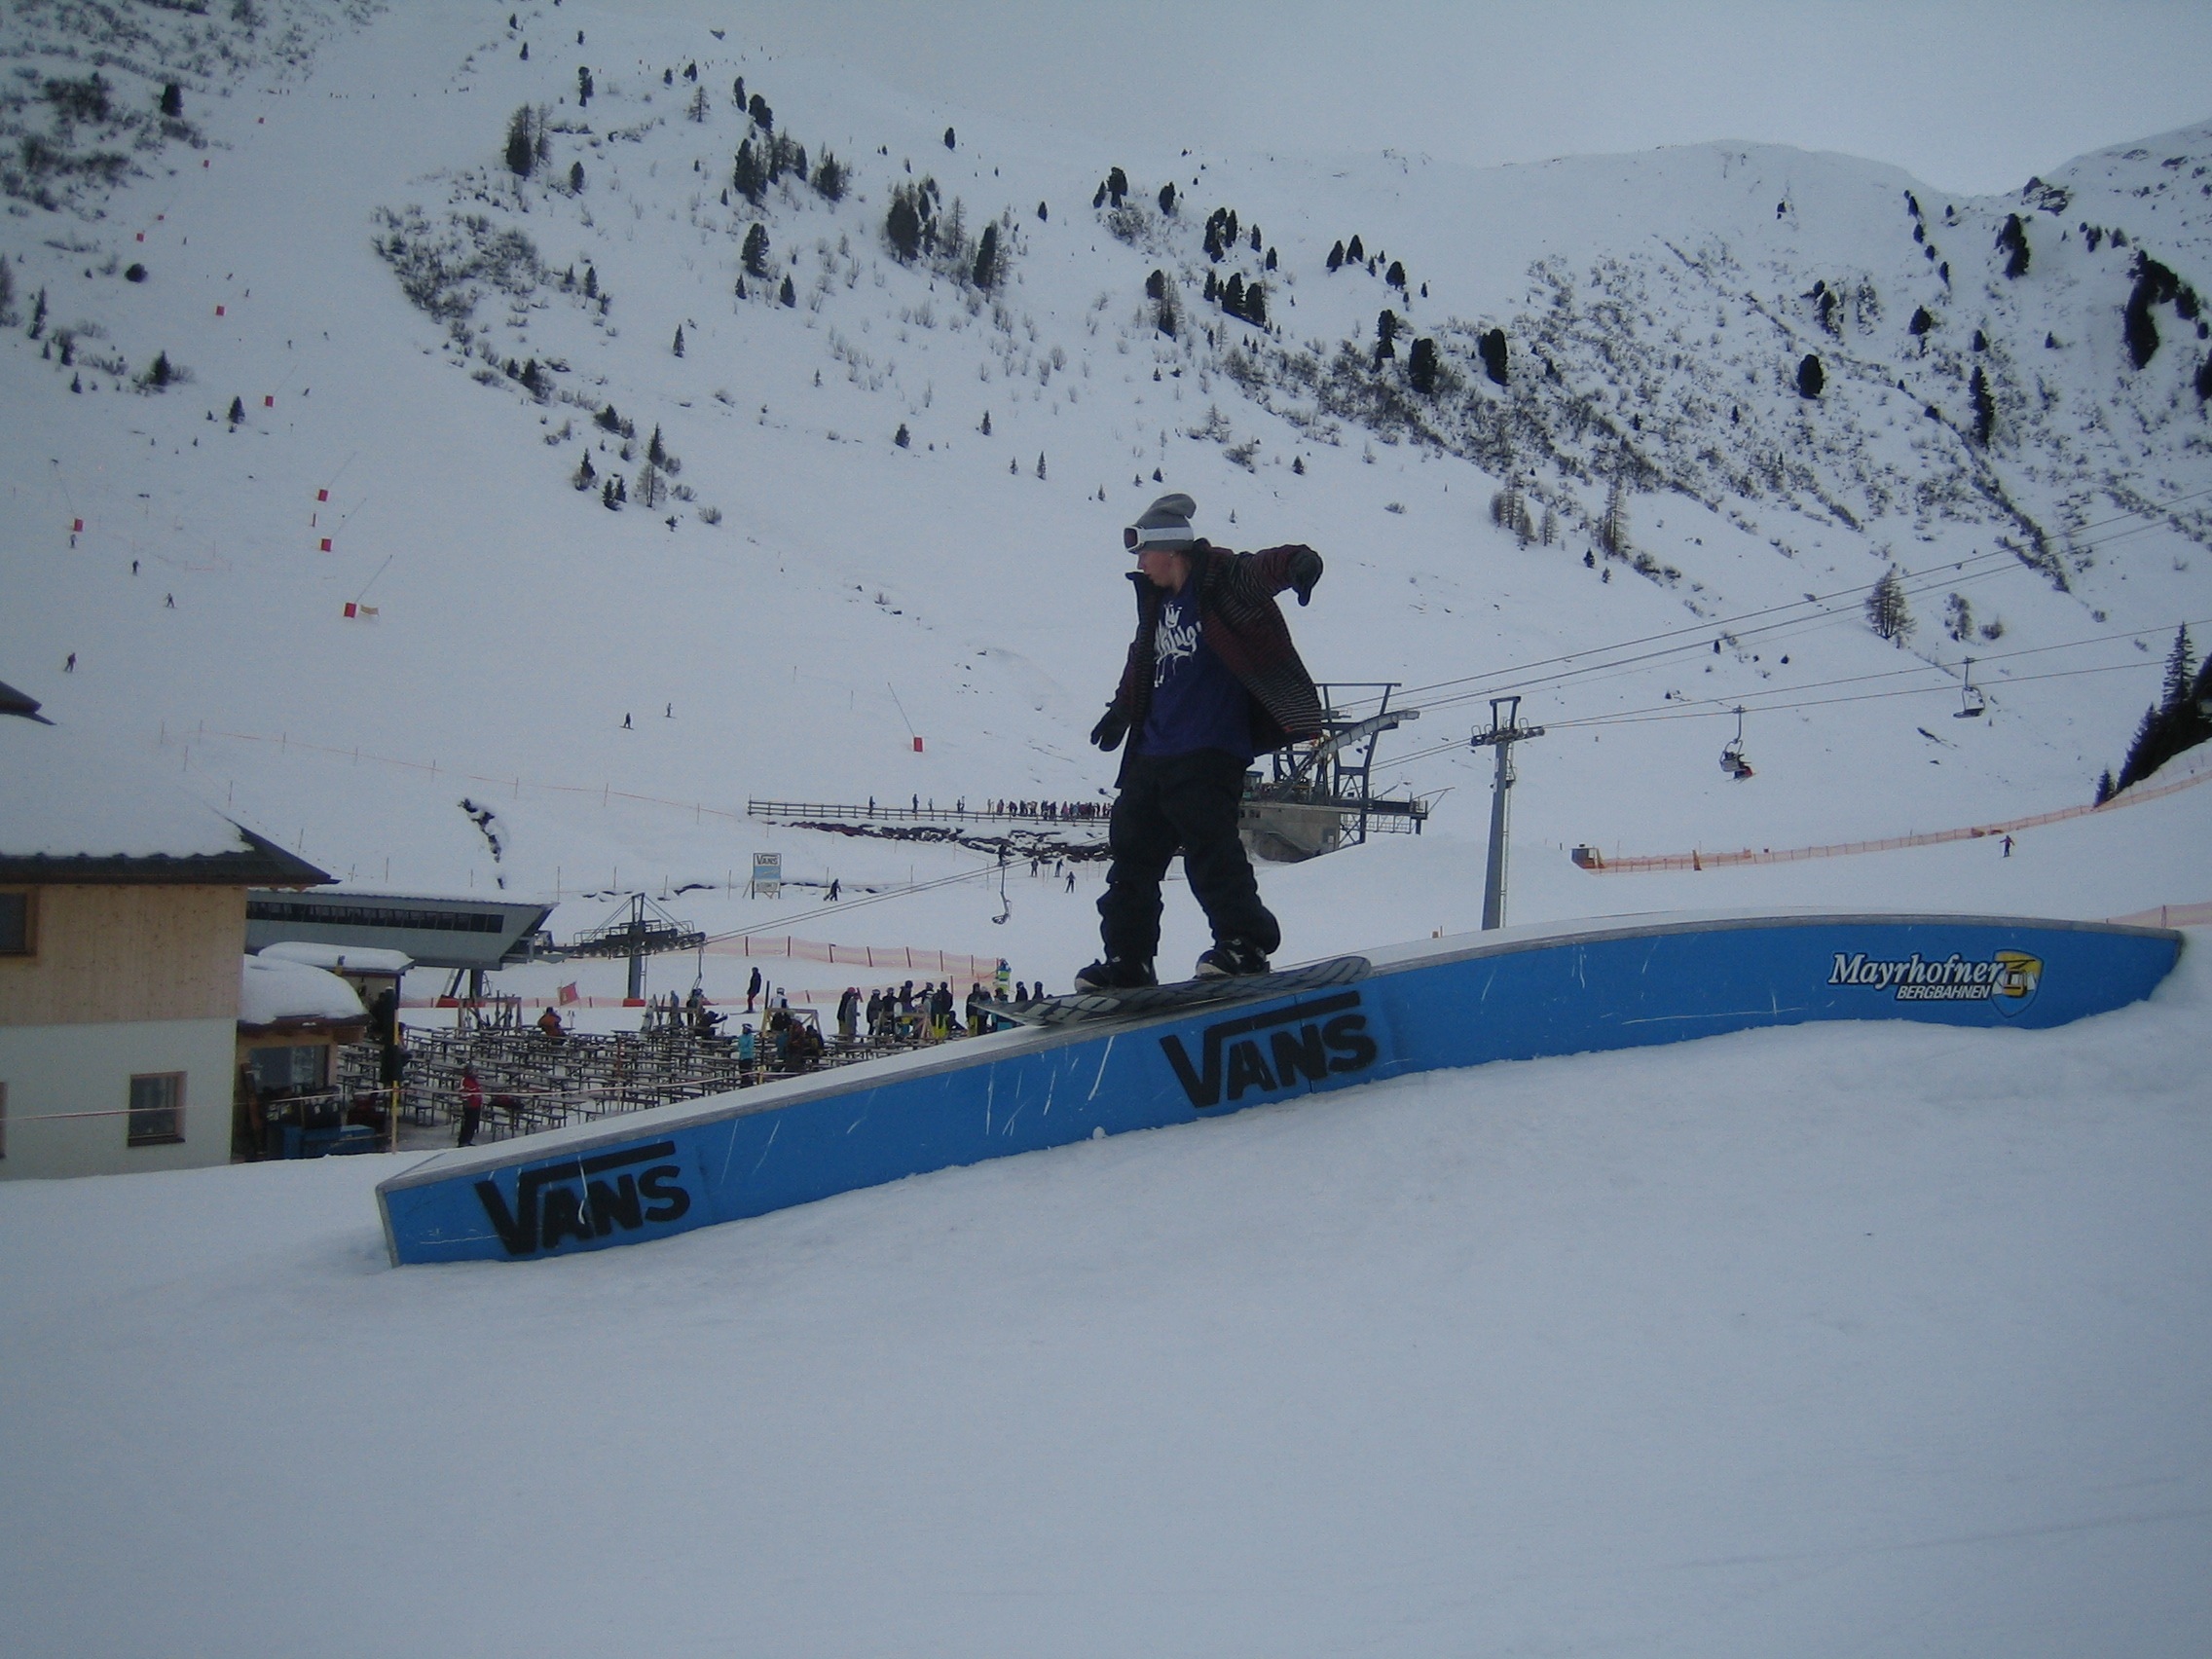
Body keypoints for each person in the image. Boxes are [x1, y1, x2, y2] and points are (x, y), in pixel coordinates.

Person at [1077, 493, 1325, 990]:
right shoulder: (1155, 603)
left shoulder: (1220, 580)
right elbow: (1141, 661)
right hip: (1151, 752)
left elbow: (1262, 569)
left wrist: (1298, 562)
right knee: (1130, 862)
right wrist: (1121, 710)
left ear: (1170, 549)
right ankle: (1129, 961)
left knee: (1210, 851)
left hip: (1209, 746)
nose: (1140, 565)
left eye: (1144, 554)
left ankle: (1245, 943)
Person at [458, 1064, 484, 1147]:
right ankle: (463, 1141)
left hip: (476, 1105)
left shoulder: (474, 1080)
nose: (476, 1073)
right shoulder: (465, 1080)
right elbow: (463, 1093)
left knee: (473, 1124)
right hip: (470, 1105)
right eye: (474, 1071)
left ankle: (468, 1140)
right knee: (469, 1124)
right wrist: (471, 1097)